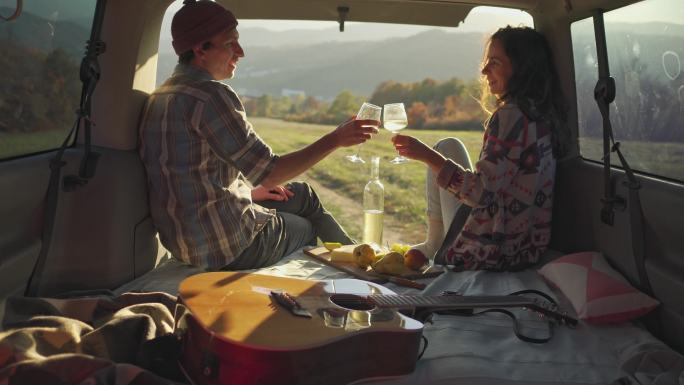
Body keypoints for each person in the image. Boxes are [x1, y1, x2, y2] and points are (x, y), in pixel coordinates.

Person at [139, 0, 378, 271]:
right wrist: (336, 139)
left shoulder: (162, 95)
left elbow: (191, 179)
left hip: (188, 242)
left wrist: (249, 192)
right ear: (200, 50)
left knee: (301, 194)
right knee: (307, 227)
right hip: (226, 247)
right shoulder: (211, 97)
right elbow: (272, 172)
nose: (240, 52)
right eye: (231, 43)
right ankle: (360, 271)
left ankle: (361, 259)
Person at [392, 26, 569, 271]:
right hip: (525, 248)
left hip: (493, 248)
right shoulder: (542, 115)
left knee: (441, 150)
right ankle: (434, 243)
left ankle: (435, 245)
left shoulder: (511, 116)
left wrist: (427, 157)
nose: (484, 71)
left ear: (522, 67)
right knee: (449, 145)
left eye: (494, 63)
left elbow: (481, 195)